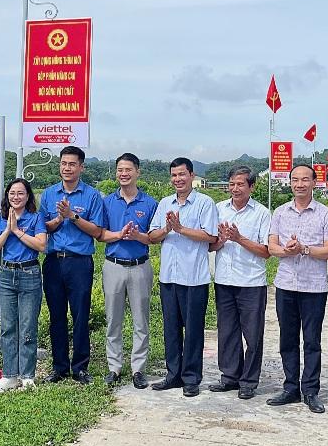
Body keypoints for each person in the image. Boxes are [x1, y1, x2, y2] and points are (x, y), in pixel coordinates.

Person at [266, 164, 328, 413]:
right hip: (285, 283)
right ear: (290, 182)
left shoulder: (326, 215)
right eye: (295, 179)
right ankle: (289, 388)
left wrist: (304, 249)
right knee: (287, 339)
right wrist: (286, 251)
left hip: (313, 287)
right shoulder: (280, 212)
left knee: (311, 340)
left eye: (305, 179)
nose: (299, 184)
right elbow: (271, 247)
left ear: (314, 183)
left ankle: (310, 390)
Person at [148, 157, 219, 397]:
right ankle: (173, 374)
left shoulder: (205, 203)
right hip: (169, 276)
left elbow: (210, 236)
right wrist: (167, 229)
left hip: (194, 278)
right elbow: (153, 236)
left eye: (182, 174)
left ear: (192, 175)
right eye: (174, 175)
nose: (178, 179)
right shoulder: (165, 203)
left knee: (194, 330)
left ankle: (191, 378)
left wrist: (180, 229)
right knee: (171, 328)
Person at [39, 146, 104, 384]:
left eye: (72, 164)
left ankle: (80, 367)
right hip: (54, 262)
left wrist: (72, 217)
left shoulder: (92, 195)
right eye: (64, 163)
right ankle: (59, 367)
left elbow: (97, 231)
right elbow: (42, 226)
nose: (67, 168)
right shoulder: (48, 194)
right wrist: (57, 219)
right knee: (56, 316)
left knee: (80, 315)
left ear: (81, 167)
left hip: (79, 263)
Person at [208, 166, 271, 400]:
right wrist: (222, 240)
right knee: (227, 331)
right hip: (224, 279)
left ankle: (249, 381)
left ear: (251, 187)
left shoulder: (262, 213)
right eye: (232, 184)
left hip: (251, 282)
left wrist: (239, 238)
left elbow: (266, 251)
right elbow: (211, 245)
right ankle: (230, 377)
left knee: (252, 334)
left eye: (241, 184)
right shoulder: (218, 209)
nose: (235, 188)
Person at [99, 153, 158, 389]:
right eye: (120, 170)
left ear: (137, 172)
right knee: (113, 319)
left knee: (140, 320)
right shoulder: (107, 202)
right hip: (113, 266)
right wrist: (119, 235)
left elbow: (153, 238)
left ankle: (138, 369)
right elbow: (100, 234)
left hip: (140, 266)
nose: (124, 174)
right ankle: (114, 367)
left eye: (128, 170)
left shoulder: (150, 203)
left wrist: (137, 236)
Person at [0, 178, 47, 392]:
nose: (16, 197)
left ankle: (28, 375)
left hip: (29, 272)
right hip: (7, 274)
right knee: (8, 327)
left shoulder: (35, 218)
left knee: (28, 325)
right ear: (7, 195)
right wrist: (8, 230)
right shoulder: (1, 219)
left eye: (21, 193)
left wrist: (18, 231)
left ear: (28, 196)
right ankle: (10, 375)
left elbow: (41, 244)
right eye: (12, 193)